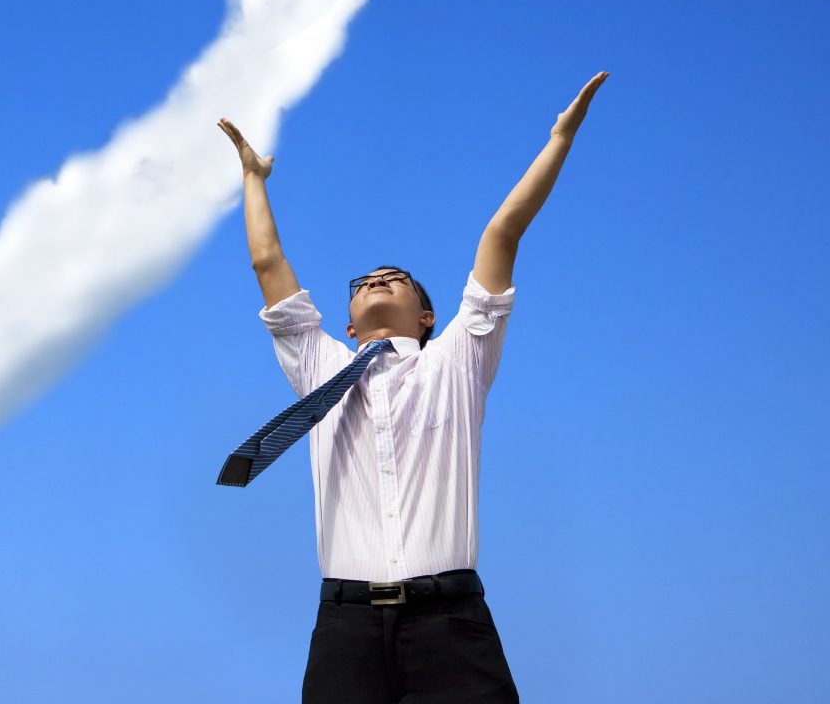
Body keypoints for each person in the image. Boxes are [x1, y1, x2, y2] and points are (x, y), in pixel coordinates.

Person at [216, 70, 608, 704]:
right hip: (345, 628)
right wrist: (253, 180)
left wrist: (559, 139)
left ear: (428, 318)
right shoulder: (319, 368)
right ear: (345, 324)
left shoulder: (457, 359)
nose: (376, 280)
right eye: (364, 280)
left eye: (395, 278)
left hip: (449, 623)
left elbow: (501, 233)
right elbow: (267, 264)